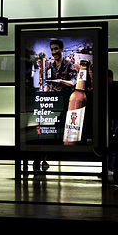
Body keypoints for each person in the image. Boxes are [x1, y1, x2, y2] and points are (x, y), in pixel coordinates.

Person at [33, 39, 77, 171]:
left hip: (65, 104)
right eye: (52, 49)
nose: (54, 52)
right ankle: (40, 161)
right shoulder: (49, 67)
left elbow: (74, 83)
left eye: (56, 49)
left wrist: (61, 81)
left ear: (62, 49)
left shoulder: (69, 65)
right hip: (52, 104)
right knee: (46, 132)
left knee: (61, 131)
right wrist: (45, 95)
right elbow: (47, 83)